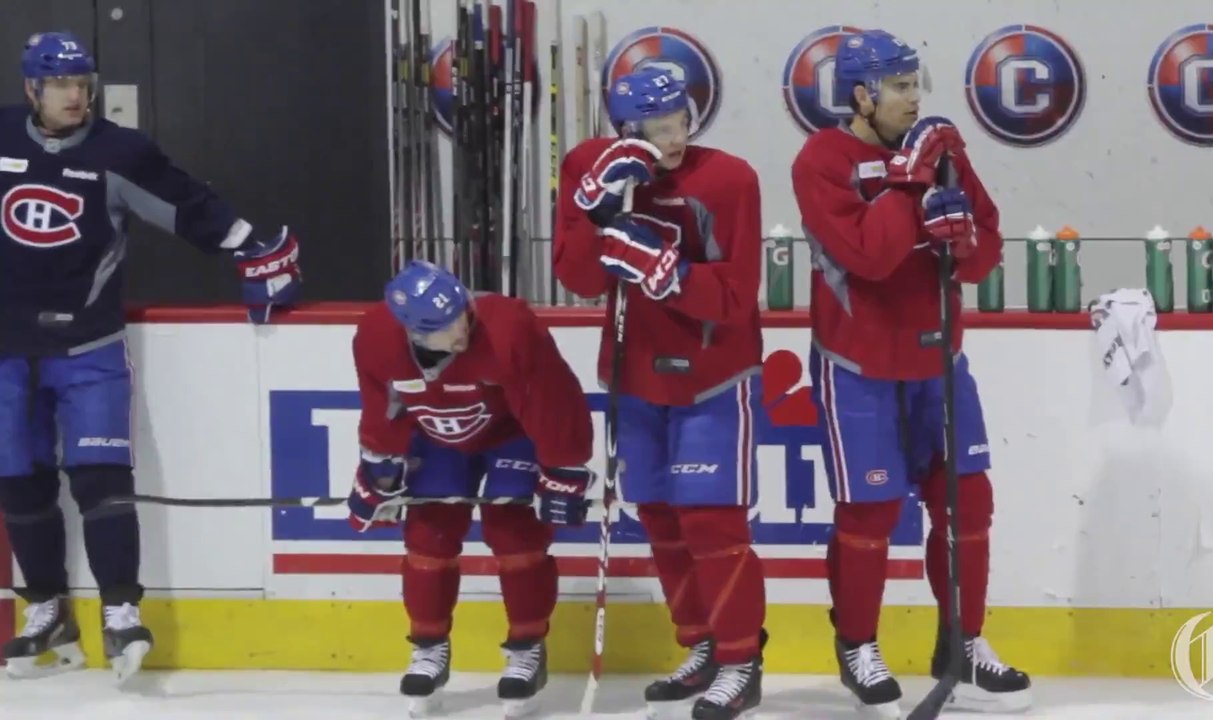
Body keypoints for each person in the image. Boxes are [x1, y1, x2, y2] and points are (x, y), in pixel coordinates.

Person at [0, 32, 300, 682]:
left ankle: (121, 613)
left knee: (100, 479)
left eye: (84, 84)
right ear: (31, 89)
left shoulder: (120, 152)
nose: (76, 96)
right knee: (18, 480)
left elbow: (189, 204)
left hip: (89, 348)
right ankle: (46, 606)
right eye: (61, 86)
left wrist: (255, 248)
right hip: (5, 352)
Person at [790, 29, 1032, 717]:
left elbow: (986, 251)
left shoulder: (939, 145)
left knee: (968, 503)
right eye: (898, 86)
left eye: (914, 83)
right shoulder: (822, 159)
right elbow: (868, 256)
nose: (913, 97)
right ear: (861, 95)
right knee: (868, 514)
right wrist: (911, 183)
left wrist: (963, 240)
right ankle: (857, 645)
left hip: (939, 361)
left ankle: (962, 642)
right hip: (858, 367)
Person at [553, 66, 767, 720]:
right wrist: (599, 213)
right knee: (661, 518)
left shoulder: (730, 179)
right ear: (625, 130)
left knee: (712, 521)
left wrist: (669, 274)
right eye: (657, 129)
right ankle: (699, 643)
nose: (674, 140)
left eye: (682, 122)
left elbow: (736, 296)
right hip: (633, 375)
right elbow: (580, 277)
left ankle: (741, 659)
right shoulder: (590, 165)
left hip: (712, 375)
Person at [347, 260, 595, 719]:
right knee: (429, 536)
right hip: (436, 435)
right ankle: (428, 646)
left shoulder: (510, 328)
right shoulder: (376, 339)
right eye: (445, 329)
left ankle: (526, 647)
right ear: (412, 332)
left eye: (463, 314)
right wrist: (379, 473)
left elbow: (554, 398)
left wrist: (563, 466)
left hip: (512, 432)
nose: (461, 332)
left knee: (514, 531)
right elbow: (382, 410)